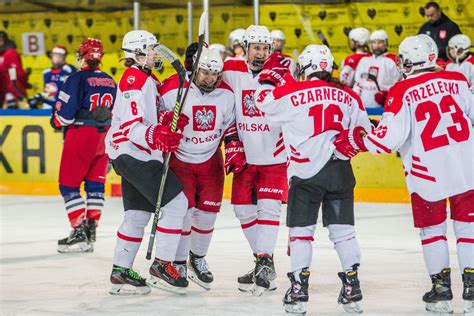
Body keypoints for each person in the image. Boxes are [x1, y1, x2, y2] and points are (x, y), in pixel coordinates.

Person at [334, 34, 474, 314]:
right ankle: (471, 287)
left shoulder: (402, 89)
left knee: (432, 231)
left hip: (427, 174)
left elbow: (386, 140)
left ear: (410, 61)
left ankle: (441, 289)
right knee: (468, 229)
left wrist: (356, 139)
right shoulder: (458, 80)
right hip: (466, 168)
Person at [254, 44, 372, 315]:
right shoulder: (349, 95)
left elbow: (263, 103)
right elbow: (364, 132)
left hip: (305, 175)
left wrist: (269, 76)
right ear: (328, 66)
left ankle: (298, 290)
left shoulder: (294, 91)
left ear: (304, 68)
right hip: (340, 171)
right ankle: (352, 287)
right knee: (344, 234)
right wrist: (348, 144)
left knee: (301, 235)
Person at [105, 30, 190, 296]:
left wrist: (166, 121)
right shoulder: (134, 77)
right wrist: (156, 134)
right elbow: (131, 125)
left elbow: (145, 116)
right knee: (178, 203)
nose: (155, 53)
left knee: (137, 215)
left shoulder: (145, 79)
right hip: (134, 153)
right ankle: (163, 264)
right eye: (151, 49)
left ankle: (121, 270)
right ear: (138, 53)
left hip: (130, 153)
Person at [159, 47, 236, 290]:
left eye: (215, 74)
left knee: (208, 213)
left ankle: (197, 258)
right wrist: (165, 122)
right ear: (194, 68)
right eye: (205, 72)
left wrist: (234, 146)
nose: (210, 78)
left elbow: (230, 126)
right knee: (184, 212)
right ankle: (179, 262)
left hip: (210, 160)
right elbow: (156, 117)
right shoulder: (173, 88)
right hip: (180, 160)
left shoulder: (226, 93)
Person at [222, 24, 288, 296]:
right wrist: (232, 140)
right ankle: (265, 262)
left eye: (265, 48)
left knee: (269, 209)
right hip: (246, 154)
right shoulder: (231, 69)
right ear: (245, 48)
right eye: (256, 48)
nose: (261, 53)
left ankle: (263, 262)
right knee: (243, 210)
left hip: (275, 154)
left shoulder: (284, 71)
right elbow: (222, 103)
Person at [51, 38, 116, 253]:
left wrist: (56, 120)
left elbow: (65, 115)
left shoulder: (76, 78)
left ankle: (78, 231)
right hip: (104, 137)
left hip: (81, 135)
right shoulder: (109, 80)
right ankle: (91, 229)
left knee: (68, 185)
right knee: (95, 186)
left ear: (82, 56)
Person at [352, 30, 401, 108]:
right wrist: (354, 101)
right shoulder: (364, 60)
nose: (377, 45)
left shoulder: (393, 60)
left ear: (386, 43)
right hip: (364, 106)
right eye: (374, 42)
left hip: (385, 107)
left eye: (380, 42)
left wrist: (387, 95)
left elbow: (399, 85)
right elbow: (358, 84)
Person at [39, 45, 77, 109]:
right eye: (54, 55)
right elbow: (46, 91)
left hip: (64, 107)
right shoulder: (46, 72)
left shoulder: (69, 70)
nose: (56, 58)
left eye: (60, 56)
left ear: (64, 57)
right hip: (48, 105)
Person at [0, 31, 28, 109]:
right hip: (4, 94)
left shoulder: (11, 53)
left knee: (26, 116)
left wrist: (25, 77)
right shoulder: (3, 54)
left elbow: (18, 74)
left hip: (14, 92)